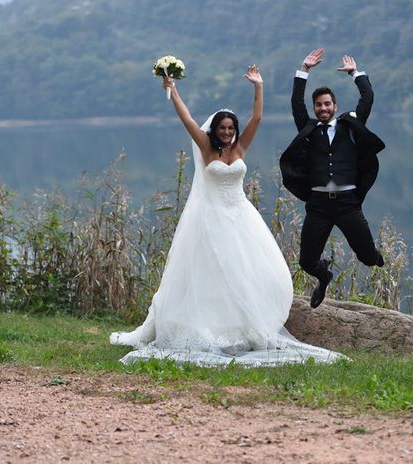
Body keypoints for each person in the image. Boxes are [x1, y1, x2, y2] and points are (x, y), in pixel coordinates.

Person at [110, 64, 346, 367]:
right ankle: (215, 330)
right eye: (222, 128)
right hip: (212, 219)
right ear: (214, 131)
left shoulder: (240, 148)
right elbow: (187, 119)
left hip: (242, 216)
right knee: (215, 274)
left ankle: (247, 328)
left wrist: (258, 86)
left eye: (230, 129)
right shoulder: (208, 149)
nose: (227, 132)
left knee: (257, 271)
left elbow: (258, 117)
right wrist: (173, 90)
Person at [280, 49, 386, 309]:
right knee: (306, 262)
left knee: (369, 258)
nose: (323, 108)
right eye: (319, 105)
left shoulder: (350, 125)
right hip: (318, 206)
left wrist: (355, 74)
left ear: (335, 106)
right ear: (315, 108)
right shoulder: (309, 129)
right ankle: (323, 274)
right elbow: (296, 103)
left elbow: (367, 98)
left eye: (328, 104)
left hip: (348, 203)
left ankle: (373, 254)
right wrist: (304, 70)